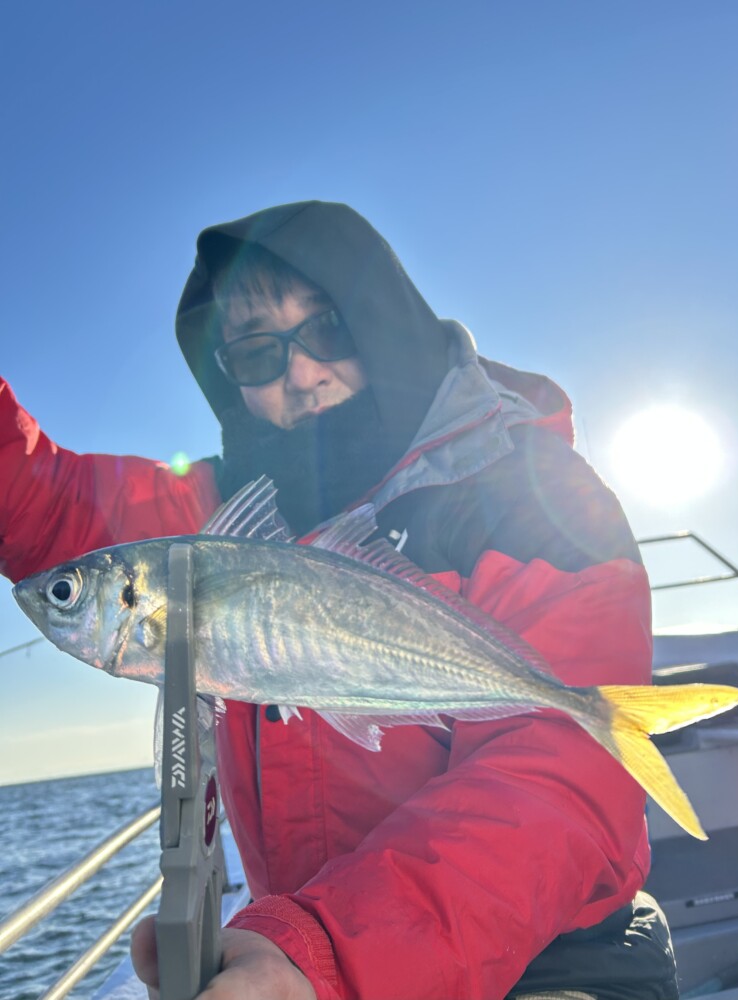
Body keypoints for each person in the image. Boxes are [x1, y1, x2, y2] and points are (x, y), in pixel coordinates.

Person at [0, 201, 678, 1000]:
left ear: (384, 321)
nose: (300, 372)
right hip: (300, 949)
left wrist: (330, 952)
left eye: (329, 329)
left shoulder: (529, 491)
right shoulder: (211, 519)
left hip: (548, 960)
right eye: (255, 353)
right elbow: (40, 497)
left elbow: (559, 783)